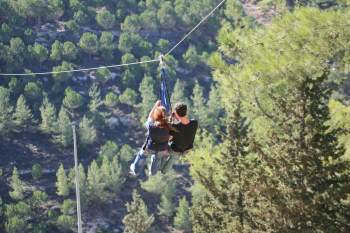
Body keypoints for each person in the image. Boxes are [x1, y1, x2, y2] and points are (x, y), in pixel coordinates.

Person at [130, 100, 171, 177]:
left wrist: (156, 105)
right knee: (157, 159)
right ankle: (152, 172)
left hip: (149, 147)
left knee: (141, 155)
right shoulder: (169, 127)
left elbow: (150, 116)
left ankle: (135, 169)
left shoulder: (151, 126)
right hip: (161, 149)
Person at [160, 102, 198, 173]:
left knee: (163, 147)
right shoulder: (195, 123)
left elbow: (169, 136)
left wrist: (171, 119)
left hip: (174, 149)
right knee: (173, 158)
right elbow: (184, 128)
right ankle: (164, 171)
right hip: (186, 149)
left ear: (176, 114)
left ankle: (162, 161)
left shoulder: (175, 127)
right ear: (186, 111)